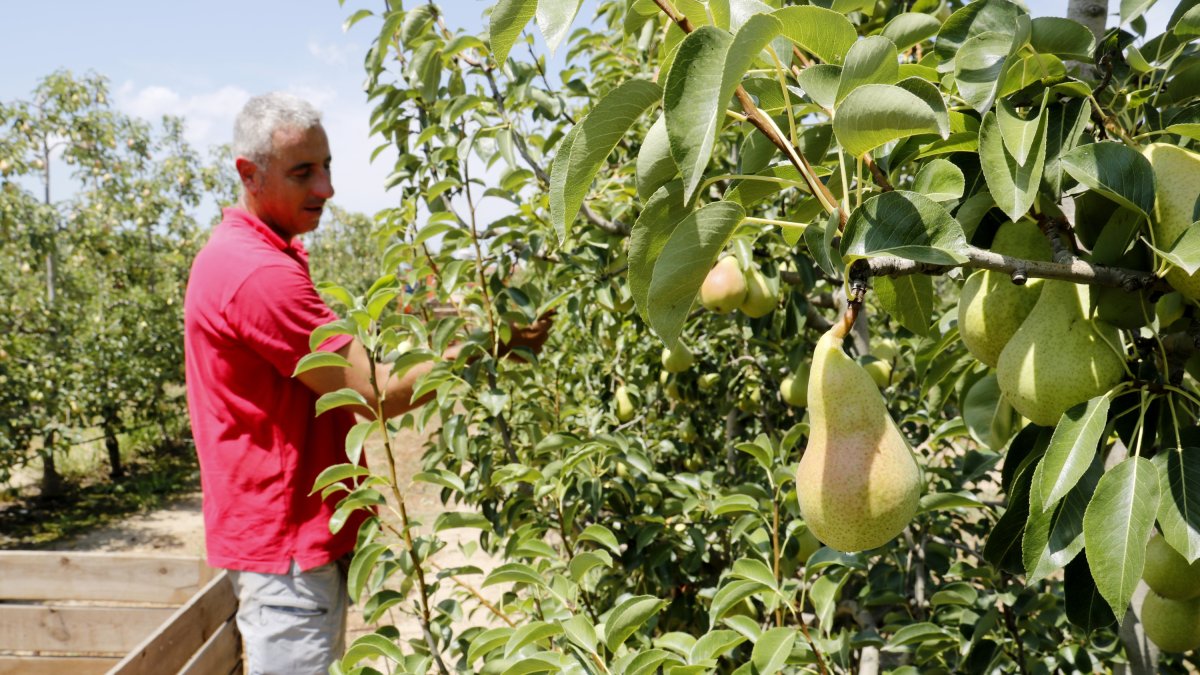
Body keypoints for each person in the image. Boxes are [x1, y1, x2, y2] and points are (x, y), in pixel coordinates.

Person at [183, 92, 549, 675]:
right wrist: (489, 347)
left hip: (293, 540)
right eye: (303, 172)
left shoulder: (252, 256)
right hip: (287, 550)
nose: (325, 187)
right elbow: (374, 393)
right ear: (248, 175)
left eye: (327, 166)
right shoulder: (258, 274)